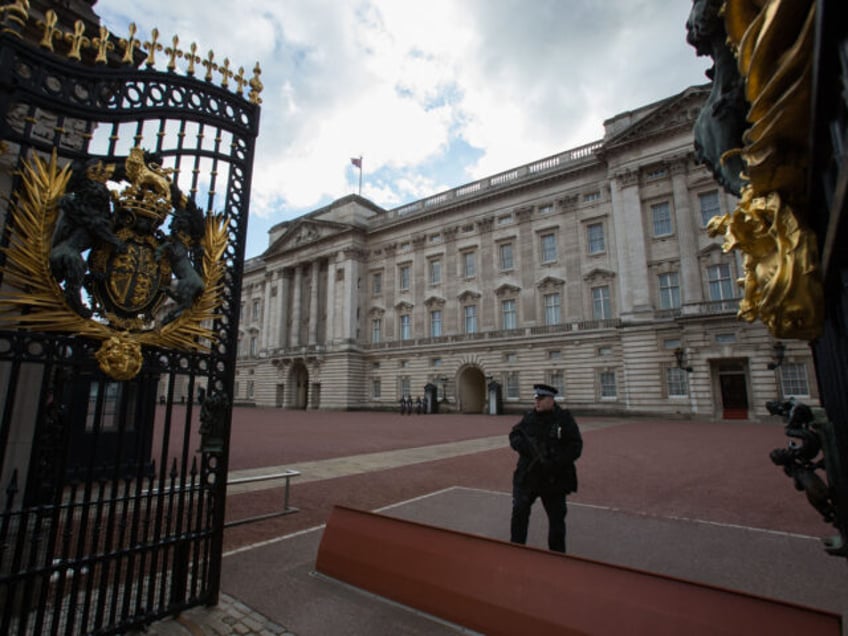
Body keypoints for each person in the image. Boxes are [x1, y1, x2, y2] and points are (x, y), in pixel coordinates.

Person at [509, 383, 582, 553]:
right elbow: (514, 435)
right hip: (529, 477)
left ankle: (557, 555)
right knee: (519, 512)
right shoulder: (529, 417)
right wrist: (523, 447)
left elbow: (576, 446)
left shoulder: (564, 419)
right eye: (536, 399)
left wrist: (556, 459)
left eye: (541, 399)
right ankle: (515, 550)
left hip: (553, 479)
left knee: (556, 520)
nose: (537, 402)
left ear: (551, 400)